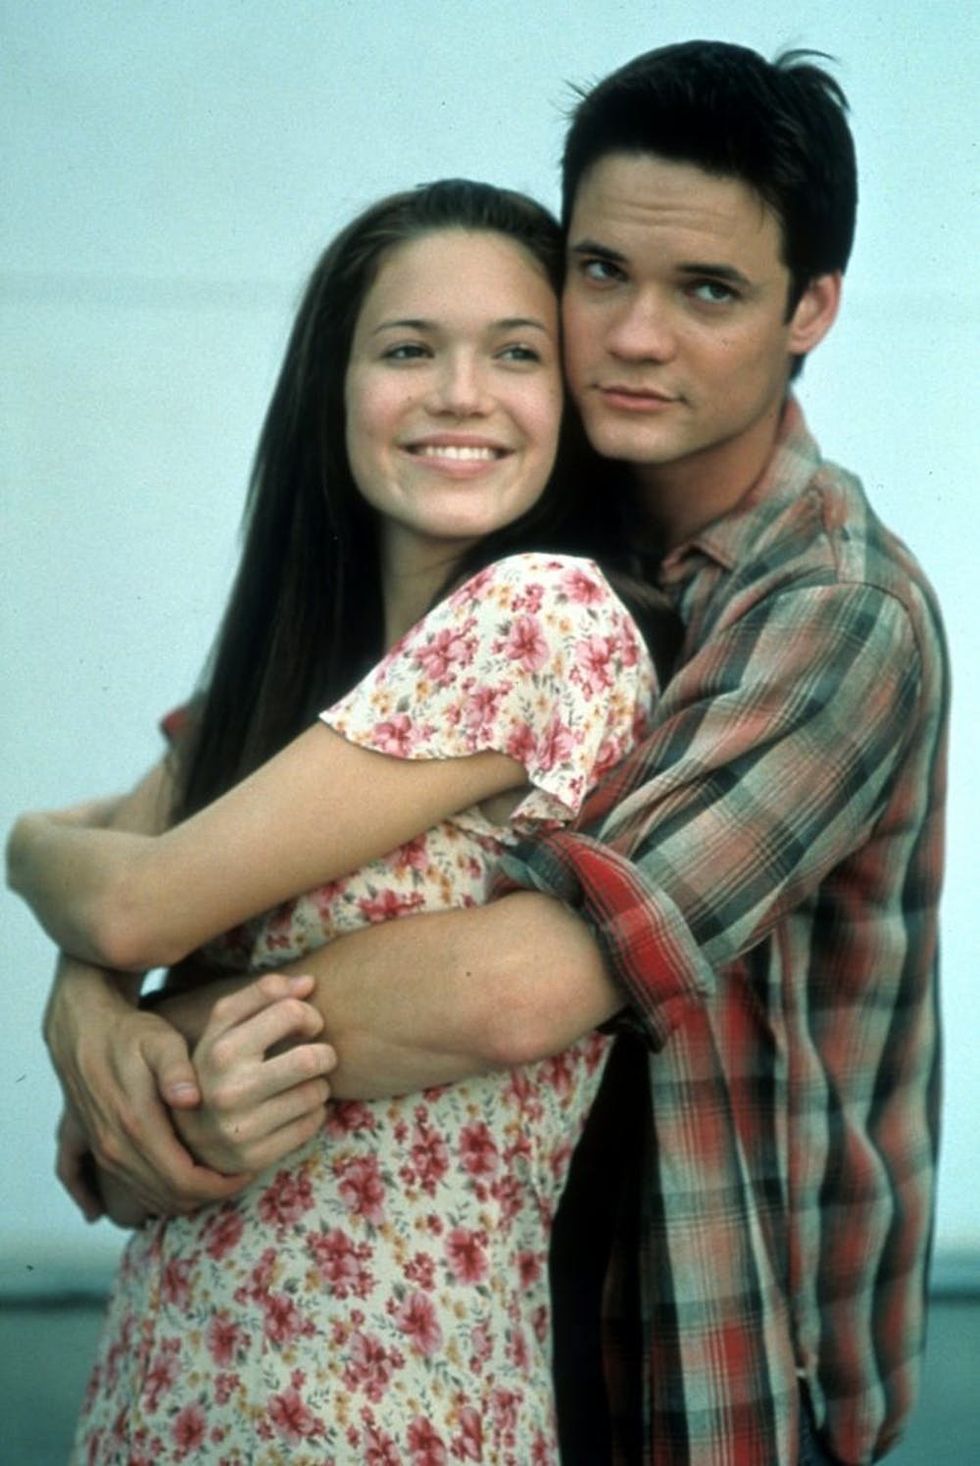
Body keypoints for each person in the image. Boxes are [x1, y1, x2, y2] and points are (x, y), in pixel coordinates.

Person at [27, 39, 948, 1465]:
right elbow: (157, 818)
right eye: (599, 274)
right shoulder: (510, 548)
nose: (634, 336)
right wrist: (88, 1012)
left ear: (809, 307)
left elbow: (528, 981)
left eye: (708, 291)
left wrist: (173, 1034)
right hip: (492, 1316)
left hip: (719, 1353)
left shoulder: (830, 612)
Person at [8, 179, 671, 1460]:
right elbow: (112, 879)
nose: (459, 393)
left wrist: (34, 871)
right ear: (336, 384)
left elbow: (125, 894)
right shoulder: (294, 679)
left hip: (384, 1407)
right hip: (172, 1380)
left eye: (515, 353)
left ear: (570, 401)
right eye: (407, 348)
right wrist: (88, 1005)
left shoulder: (542, 616)